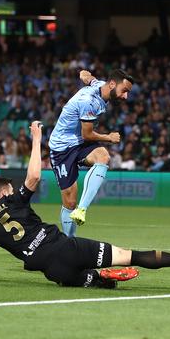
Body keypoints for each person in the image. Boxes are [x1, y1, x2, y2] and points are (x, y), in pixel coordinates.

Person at [0, 122, 170, 288]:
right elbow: (35, 176)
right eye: (11, 188)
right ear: (5, 191)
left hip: (53, 271)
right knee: (134, 255)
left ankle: (97, 278)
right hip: (66, 248)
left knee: (85, 280)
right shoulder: (14, 199)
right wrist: (37, 139)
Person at [48, 69, 132, 237]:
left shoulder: (101, 86)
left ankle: (82, 209)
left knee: (103, 156)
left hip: (79, 142)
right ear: (113, 84)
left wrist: (84, 74)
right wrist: (109, 137)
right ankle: (69, 242)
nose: (125, 97)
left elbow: (90, 79)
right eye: (124, 91)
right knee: (69, 201)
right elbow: (87, 134)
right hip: (62, 148)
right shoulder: (88, 101)